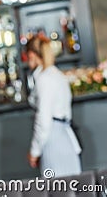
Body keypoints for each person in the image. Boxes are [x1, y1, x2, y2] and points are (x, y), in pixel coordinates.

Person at [26, 34, 82, 177]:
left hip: (53, 140)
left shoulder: (44, 79)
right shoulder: (57, 75)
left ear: (31, 55)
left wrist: (34, 151)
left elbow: (43, 120)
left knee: (56, 188)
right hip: (66, 137)